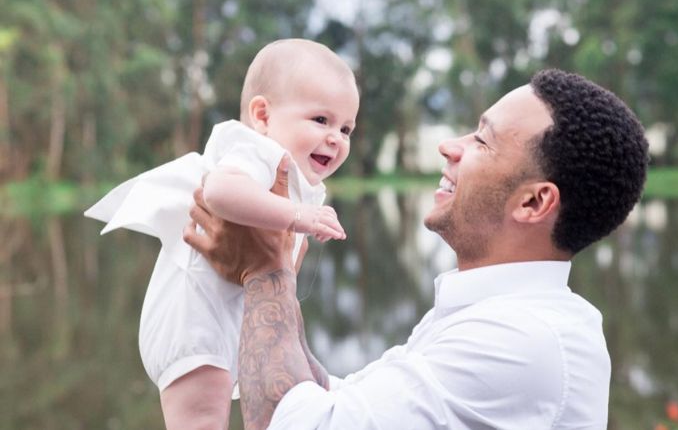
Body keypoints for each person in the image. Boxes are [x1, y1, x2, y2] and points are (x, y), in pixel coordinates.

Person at [184, 68, 649, 430]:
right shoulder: (496, 316)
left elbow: (295, 424)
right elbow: (336, 400)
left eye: (481, 140)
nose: (449, 146)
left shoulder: (523, 342)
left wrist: (266, 272)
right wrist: (276, 275)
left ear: (533, 203)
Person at [85, 38, 360, 429]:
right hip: (195, 324)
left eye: (346, 128)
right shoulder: (254, 151)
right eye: (321, 120)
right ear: (262, 116)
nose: (336, 138)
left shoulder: (293, 175)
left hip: (227, 322)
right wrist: (297, 215)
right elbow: (219, 190)